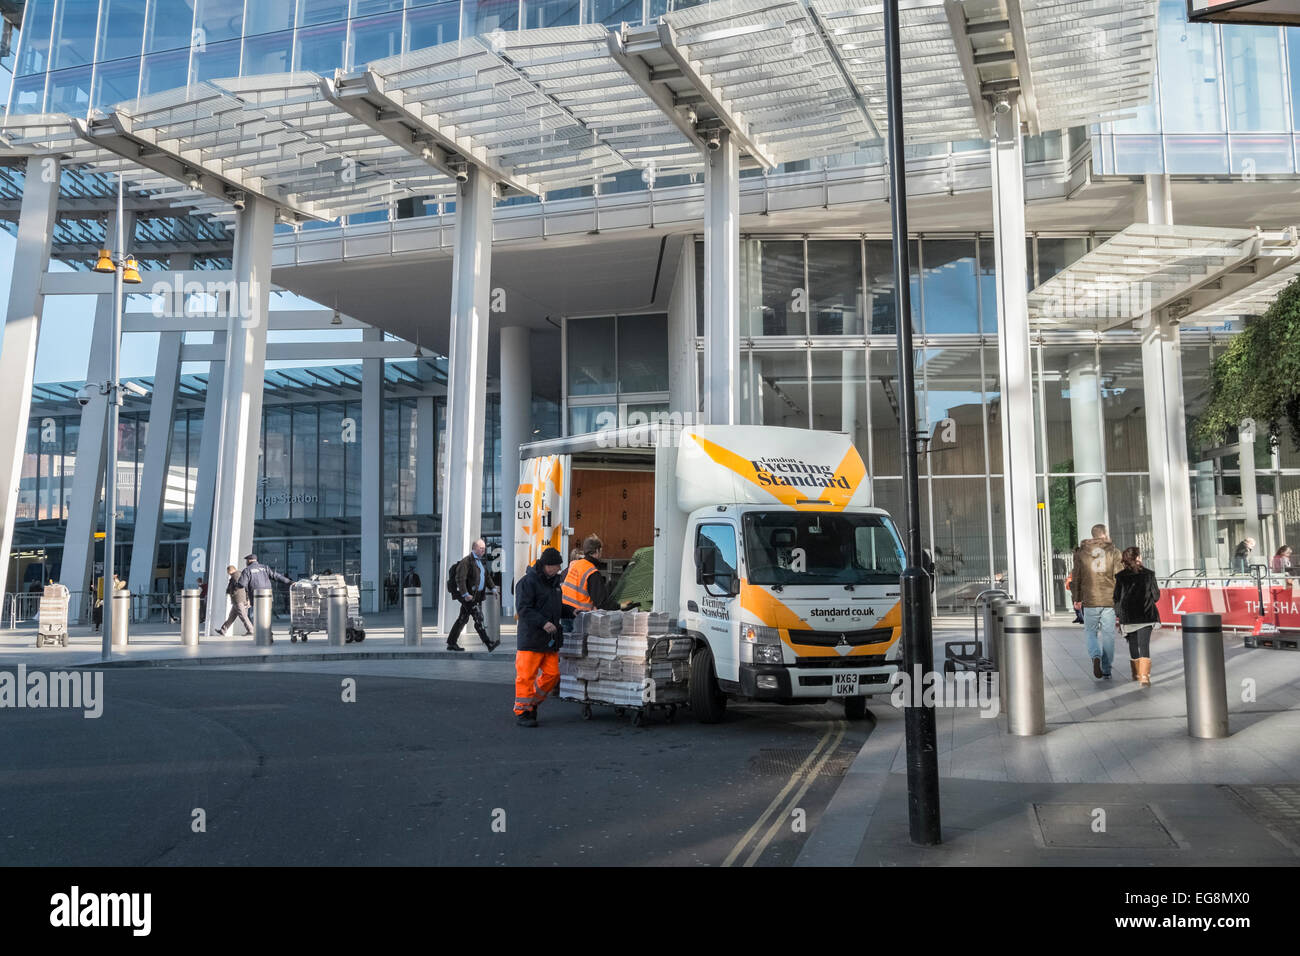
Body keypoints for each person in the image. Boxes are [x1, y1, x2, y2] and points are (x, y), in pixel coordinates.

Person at [513, 547, 565, 727]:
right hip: (531, 639)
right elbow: (523, 609)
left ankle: (532, 704)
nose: (559, 569)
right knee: (526, 677)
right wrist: (543, 623)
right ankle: (522, 712)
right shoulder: (528, 582)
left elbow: (556, 607)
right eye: (557, 566)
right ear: (547, 566)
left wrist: (572, 611)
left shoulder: (554, 583)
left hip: (548, 639)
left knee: (553, 674)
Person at [1071, 523, 1123, 680]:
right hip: (1109, 600)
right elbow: (1119, 577)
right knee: (1108, 635)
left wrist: (1077, 598)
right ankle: (1106, 669)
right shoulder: (1114, 552)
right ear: (1103, 535)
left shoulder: (1081, 553)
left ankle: (1095, 656)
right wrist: (1121, 598)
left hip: (1090, 599)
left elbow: (1077, 577)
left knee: (1090, 632)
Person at [1113, 546, 1160, 688]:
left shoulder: (1120, 576)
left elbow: (1116, 598)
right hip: (1146, 615)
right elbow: (1156, 596)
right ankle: (1144, 677)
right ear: (1138, 557)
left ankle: (1136, 673)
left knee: (1133, 643)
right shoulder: (1149, 574)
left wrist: (1119, 613)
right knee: (1144, 644)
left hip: (1128, 616)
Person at [561, 535, 630, 628]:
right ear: (597, 551)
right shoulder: (592, 572)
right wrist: (621, 606)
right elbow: (602, 603)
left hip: (565, 613)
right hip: (580, 617)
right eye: (601, 551)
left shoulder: (574, 565)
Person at [447, 538, 498, 652]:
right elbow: (460, 578)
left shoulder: (480, 562)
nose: (483, 551)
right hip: (468, 596)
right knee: (478, 617)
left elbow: (487, 576)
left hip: (476, 596)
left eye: (484, 549)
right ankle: (488, 643)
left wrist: (493, 588)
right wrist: (465, 594)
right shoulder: (466, 562)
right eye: (481, 548)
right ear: (474, 548)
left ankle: (451, 643)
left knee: (463, 618)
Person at [236, 554, 292, 641]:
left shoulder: (247, 570)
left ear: (249, 561)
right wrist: (289, 582)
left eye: (246, 561)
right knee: (266, 617)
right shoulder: (265, 568)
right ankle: (268, 635)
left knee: (253, 616)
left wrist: (237, 584)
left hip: (256, 598)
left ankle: (261, 636)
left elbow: (241, 584)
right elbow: (276, 576)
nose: (246, 562)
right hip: (268, 597)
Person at [215, 564, 253, 636]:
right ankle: (223, 630)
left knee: (243, 615)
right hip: (238, 599)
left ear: (230, 570)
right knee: (231, 616)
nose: (228, 574)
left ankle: (251, 630)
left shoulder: (236, 575)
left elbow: (236, 586)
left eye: (228, 572)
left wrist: (232, 593)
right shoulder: (239, 575)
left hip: (238, 599)